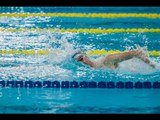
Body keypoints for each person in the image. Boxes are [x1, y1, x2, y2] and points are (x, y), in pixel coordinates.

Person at [72, 49, 156, 70]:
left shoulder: (107, 60)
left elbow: (137, 53)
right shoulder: (98, 66)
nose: (83, 61)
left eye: (82, 58)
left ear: (86, 57)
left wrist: (153, 66)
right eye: (80, 60)